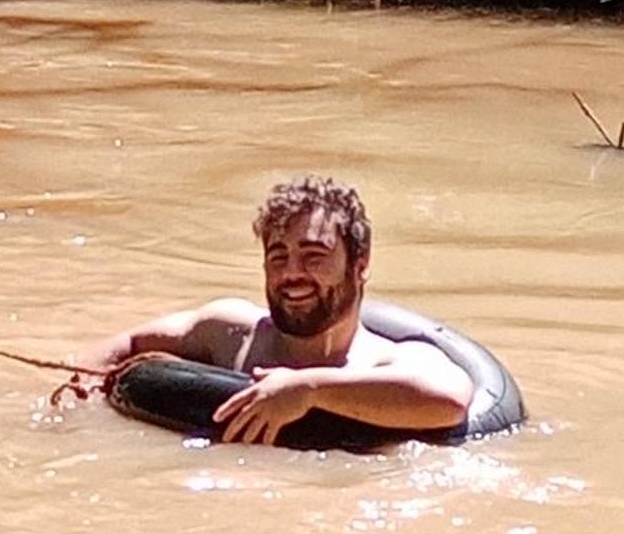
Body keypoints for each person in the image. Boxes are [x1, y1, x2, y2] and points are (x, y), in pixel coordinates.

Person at [86, 175, 472, 444]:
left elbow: (448, 401)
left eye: (313, 256)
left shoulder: (390, 362)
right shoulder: (231, 334)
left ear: (361, 264)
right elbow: (128, 343)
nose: (292, 274)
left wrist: (308, 390)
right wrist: (78, 403)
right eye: (278, 256)